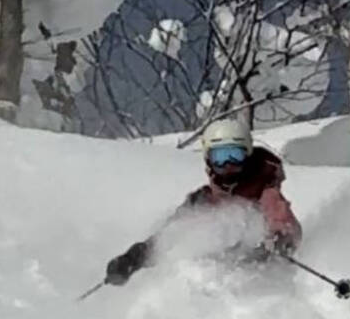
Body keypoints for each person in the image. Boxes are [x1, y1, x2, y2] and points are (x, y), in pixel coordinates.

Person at [104, 117, 302, 286]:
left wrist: (278, 240)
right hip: (218, 276)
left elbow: (280, 217)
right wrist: (133, 258)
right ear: (208, 159)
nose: (228, 165)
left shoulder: (264, 190)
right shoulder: (203, 200)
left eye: (235, 155)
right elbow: (170, 235)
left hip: (259, 274)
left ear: (247, 155)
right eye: (221, 157)